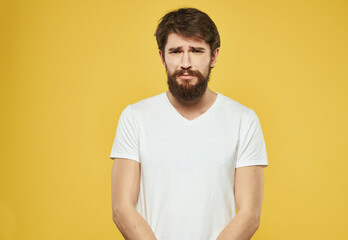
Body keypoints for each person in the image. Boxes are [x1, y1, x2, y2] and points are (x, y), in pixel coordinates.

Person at [110, 7, 268, 240]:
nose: (185, 62)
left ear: (213, 56)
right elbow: (122, 208)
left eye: (196, 50)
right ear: (163, 57)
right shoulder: (135, 117)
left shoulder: (244, 120)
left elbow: (250, 215)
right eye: (175, 51)